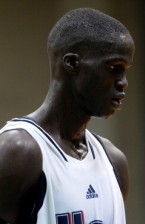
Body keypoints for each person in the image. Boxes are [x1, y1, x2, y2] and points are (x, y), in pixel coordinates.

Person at [0, 7, 135, 224]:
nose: (123, 82)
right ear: (72, 64)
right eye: (113, 67)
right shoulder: (18, 152)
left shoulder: (114, 162)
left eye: (125, 70)